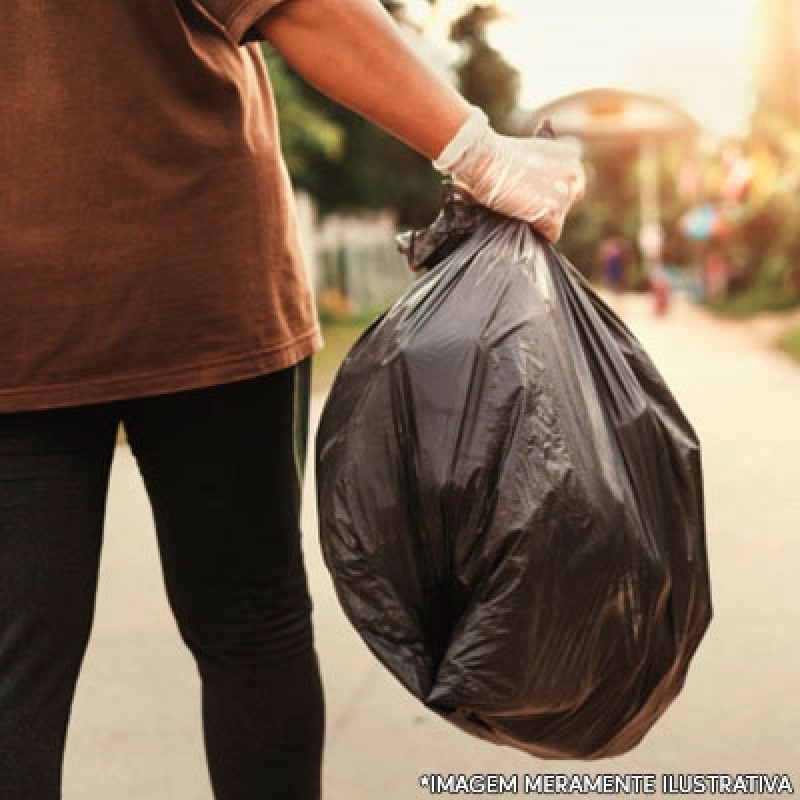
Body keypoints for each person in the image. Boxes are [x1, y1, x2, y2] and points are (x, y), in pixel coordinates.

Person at [0, 1, 584, 798]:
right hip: (199, 275)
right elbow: (303, 7)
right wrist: (480, 151)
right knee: (249, 625)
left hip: (16, 308)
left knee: (13, 662)